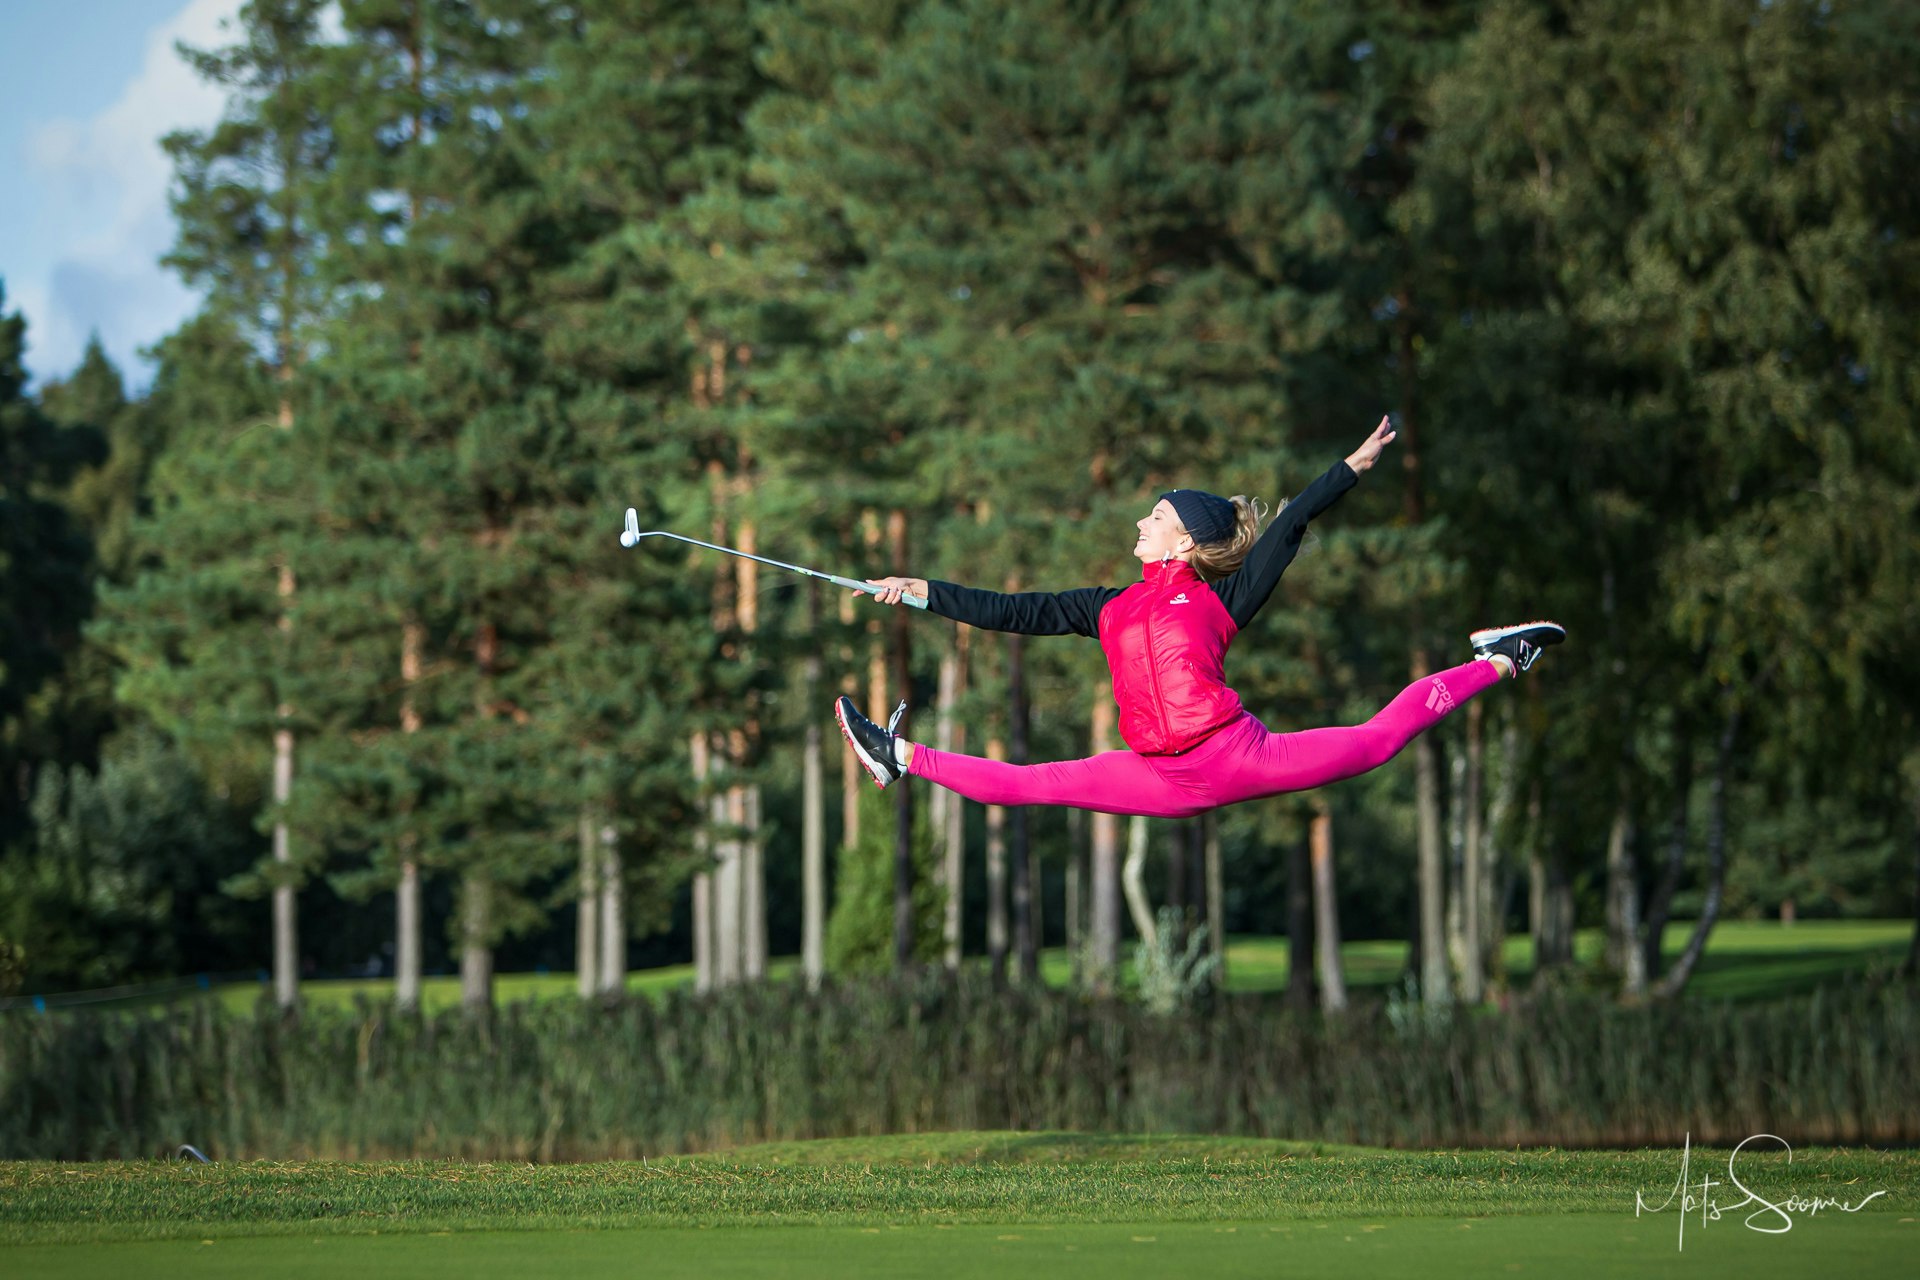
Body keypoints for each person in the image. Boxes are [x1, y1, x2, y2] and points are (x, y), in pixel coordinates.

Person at [834, 415, 1563, 818]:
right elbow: (1008, 611)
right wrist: (917, 587)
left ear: (1184, 537)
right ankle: (896, 758)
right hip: (1157, 776)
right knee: (1036, 783)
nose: (1142, 522)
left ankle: (1498, 657)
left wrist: (1348, 470)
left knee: (1376, 743)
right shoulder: (1107, 607)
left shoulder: (1220, 600)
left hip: (1237, 757)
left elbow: (1290, 529)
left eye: (1156, 516)